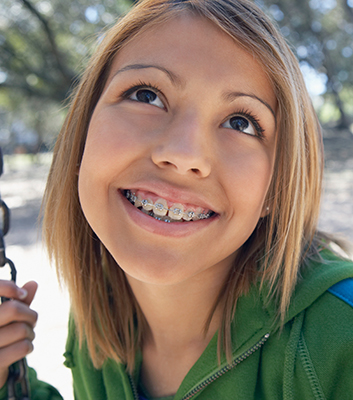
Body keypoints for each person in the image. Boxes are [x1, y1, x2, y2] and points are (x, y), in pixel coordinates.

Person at [1, 0, 353, 399]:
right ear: (83, 134)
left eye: (241, 122)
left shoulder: (340, 343)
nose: (185, 154)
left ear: (278, 186)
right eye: (147, 95)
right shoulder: (100, 318)